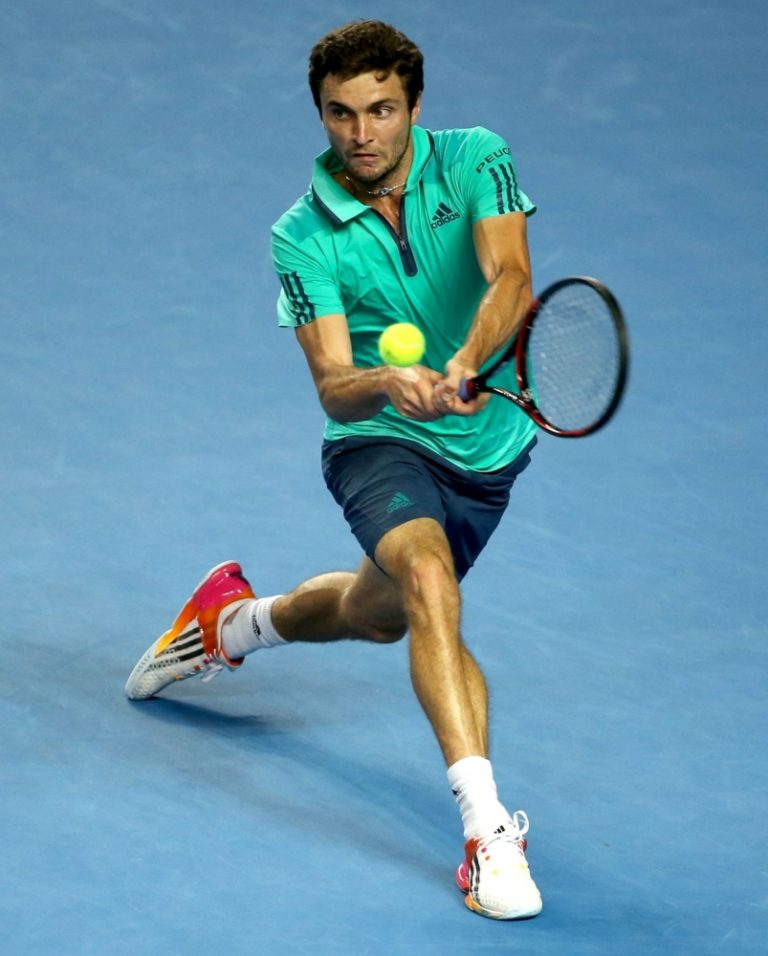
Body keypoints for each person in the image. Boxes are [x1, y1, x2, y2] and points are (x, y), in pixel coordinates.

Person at [125, 19, 542, 921]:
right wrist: (391, 381)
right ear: (320, 113)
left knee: (378, 615)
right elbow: (333, 387)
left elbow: (511, 277)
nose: (361, 133)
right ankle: (487, 835)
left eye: (381, 110)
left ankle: (232, 623)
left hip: (490, 448)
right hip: (377, 440)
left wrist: (464, 361)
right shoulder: (301, 236)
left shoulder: (477, 158)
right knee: (428, 581)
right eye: (340, 113)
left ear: (415, 107)